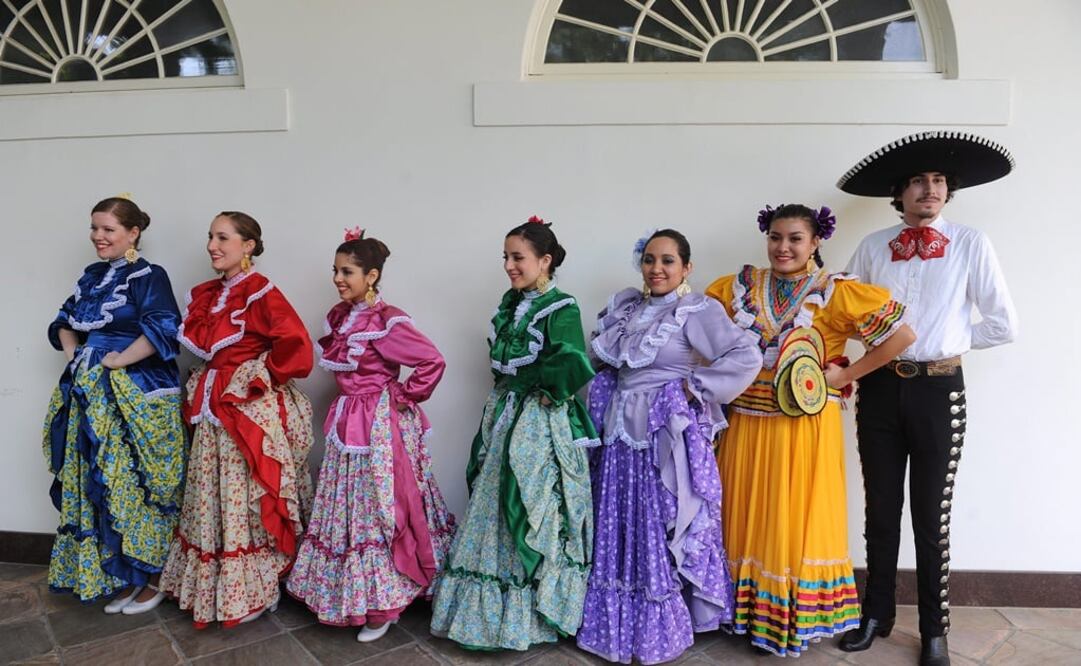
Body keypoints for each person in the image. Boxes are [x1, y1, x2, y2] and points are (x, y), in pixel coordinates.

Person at [837, 132, 1018, 666]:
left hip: (940, 390)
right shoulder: (871, 247)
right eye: (918, 180)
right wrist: (836, 362)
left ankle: (936, 628)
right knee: (881, 508)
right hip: (880, 388)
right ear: (899, 191)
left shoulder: (971, 243)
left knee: (931, 512)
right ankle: (876, 615)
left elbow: (1004, 325)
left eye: (938, 180)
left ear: (949, 190)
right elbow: (843, 314)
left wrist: (949, 345)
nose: (929, 189)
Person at [705, 204, 916, 657]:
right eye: (776, 237)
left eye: (795, 238)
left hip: (803, 428)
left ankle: (780, 623)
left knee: (787, 518)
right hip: (745, 421)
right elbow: (702, 335)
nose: (784, 247)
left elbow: (901, 336)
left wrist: (847, 373)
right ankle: (742, 614)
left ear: (816, 241)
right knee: (745, 512)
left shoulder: (836, 292)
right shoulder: (738, 287)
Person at [577, 229, 761, 664]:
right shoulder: (625, 308)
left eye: (667, 261)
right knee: (619, 521)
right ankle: (614, 624)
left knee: (660, 521)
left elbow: (745, 356)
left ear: (686, 267)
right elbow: (603, 360)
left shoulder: (696, 311)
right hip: (619, 434)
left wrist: (694, 388)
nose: (656, 269)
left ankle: (658, 628)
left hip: (661, 437)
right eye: (649, 260)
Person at [430, 216, 597, 650]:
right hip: (506, 413)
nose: (509, 265)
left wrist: (544, 393)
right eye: (505, 257)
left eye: (517, 257)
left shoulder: (562, 306)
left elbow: (572, 360)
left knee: (530, 502)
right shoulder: (511, 304)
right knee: (495, 500)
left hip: (537, 423)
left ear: (544, 260)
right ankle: (486, 617)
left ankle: (536, 614)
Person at [287, 228, 455, 642]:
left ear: (372, 276)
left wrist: (401, 393)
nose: (338, 278)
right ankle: (354, 595)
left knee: (382, 505)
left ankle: (385, 603)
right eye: (336, 270)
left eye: (348, 271)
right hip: (348, 420)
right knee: (350, 505)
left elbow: (432, 361)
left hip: (379, 425)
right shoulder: (342, 318)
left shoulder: (386, 321)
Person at [159, 211, 315, 627]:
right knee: (213, 494)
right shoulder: (211, 295)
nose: (212, 245)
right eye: (210, 236)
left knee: (246, 497)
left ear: (248, 246)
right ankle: (224, 589)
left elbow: (296, 346)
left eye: (223, 237)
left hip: (244, 411)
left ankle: (258, 589)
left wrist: (254, 377)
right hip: (214, 410)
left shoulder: (261, 292)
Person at [44, 196, 186, 614]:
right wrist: (77, 354)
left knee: (141, 481)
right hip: (92, 394)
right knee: (102, 481)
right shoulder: (92, 276)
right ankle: (127, 573)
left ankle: (155, 575)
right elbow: (64, 321)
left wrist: (118, 361)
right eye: (94, 228)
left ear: (133, 232)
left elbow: (165, 328)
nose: (98, 236)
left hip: (136, 390)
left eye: (107, 229)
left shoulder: (148, 275)